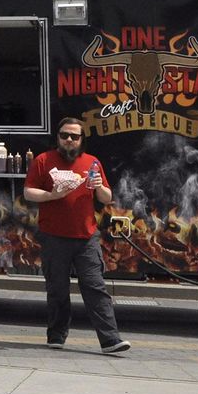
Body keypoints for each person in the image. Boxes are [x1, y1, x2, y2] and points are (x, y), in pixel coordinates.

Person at [24, 118, 130, 355]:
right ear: (58, 137)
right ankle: (56, 336)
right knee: (57, 289)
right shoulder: (43, 160)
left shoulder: (92, 163)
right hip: (53, 236)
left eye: (74, 136)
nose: (69, 140)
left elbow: (106, 198)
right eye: (64, 135)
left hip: (86, 236)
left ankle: (111, 339)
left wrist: (99, 186)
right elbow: (28, 192)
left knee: (95, 287)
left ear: (82, 140)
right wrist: (53, 195)